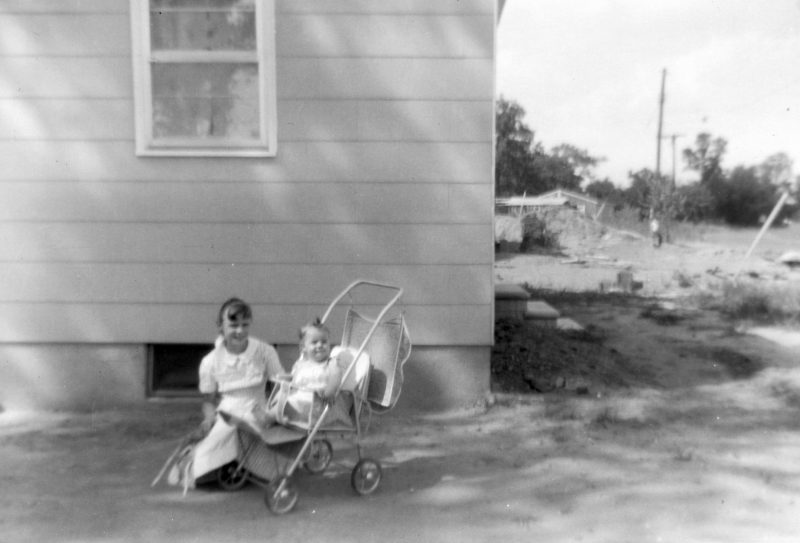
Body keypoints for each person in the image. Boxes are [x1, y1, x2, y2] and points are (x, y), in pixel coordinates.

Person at [168, 297, 284, 491]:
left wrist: (273, 413)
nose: (239, 331)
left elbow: (280, 385)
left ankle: (244, 463)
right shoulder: (211, 361)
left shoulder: (264, 351)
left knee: (241, 436)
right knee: (204, 457)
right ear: (220, 326)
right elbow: (208, 399)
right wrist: (208, 420)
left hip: (257, 410)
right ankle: (220, 463)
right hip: (228, 411)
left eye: (244, 325)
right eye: (233, 324)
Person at [267, 318, 351, 428]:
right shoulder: (302, 364)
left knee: (290, 401)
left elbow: (336, 375)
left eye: (324, 342)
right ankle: (274, 415)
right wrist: (285, 378)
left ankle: (270, 417)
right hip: (301, 398)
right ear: (304, 348)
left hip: (318, 403)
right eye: (314, 342)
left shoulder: (331, 363)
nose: (320, 345)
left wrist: (329, 392)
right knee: (282, 396)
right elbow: (295, 379)